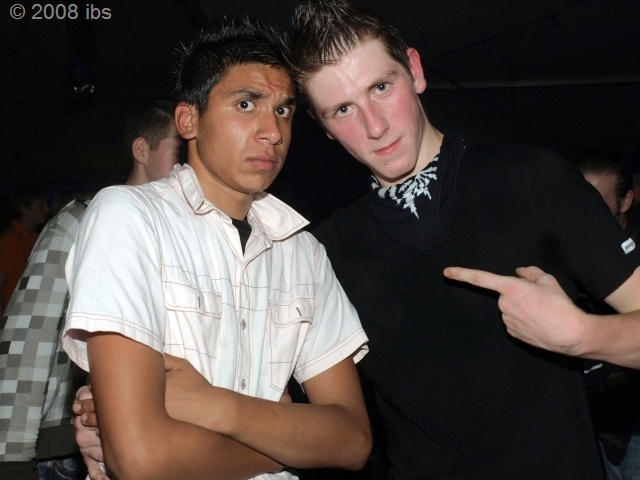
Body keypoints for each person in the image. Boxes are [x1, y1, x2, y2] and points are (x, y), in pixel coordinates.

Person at [288, 1, 640, 478]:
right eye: (343, 110)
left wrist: (583, 335)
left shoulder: (532, 180)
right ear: (323, 127)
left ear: (414, 70)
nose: (374, 126)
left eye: (381, 87)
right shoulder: (326, 252)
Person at [64, 19, 371, 480]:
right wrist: (287, 437)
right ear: (188, 120)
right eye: (246, 104)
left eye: (284, 110)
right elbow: (142, 458)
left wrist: (214, 405)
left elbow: (353, 441)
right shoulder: (130, 217)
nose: (272, 131)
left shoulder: (302, 251)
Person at [0, 100, 182, 480]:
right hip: (61, 448)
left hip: (150, 438)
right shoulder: (79, 221)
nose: (185, 169)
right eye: (178, 153)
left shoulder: (179, 236)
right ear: (141, 150)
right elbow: (30, 330)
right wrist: (12, 452)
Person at [576, 148, 640, 480]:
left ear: (625, 201)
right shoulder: (566, 246)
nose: (585, 212)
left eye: (598, 203)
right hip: (591, 416)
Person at [0, 184, 49, 315]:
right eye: (40, 205)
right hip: (11, 315)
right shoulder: (12, 240)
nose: (46, 209)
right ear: (24, 209)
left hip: (26, 311)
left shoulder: (35, 237)